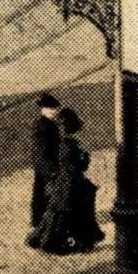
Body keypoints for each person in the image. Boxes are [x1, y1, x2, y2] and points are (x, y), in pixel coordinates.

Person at [29, 108, 102, 253]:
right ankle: (63, 243)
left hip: (67, 181)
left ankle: (73, 241)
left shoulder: (66, 142)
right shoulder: (69, 144)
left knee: (65, 212)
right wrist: (84, 159)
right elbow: (74, 166)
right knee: (71, 212)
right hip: (70, 182)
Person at [26, 92, 62, 235]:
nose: (53, 111)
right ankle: (39, 221)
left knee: (42, 193)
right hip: (45, 165)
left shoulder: (50, 124)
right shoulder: (41, 126)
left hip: (48, 164)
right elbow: (40, 151)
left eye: (54, 108)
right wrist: (50, 169)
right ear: (43, 109)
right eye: (50, 109)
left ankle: (40, 220)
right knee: (43, 193)